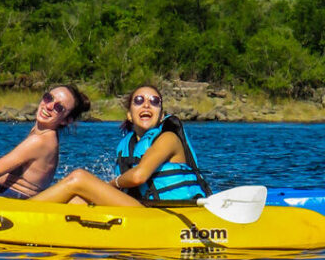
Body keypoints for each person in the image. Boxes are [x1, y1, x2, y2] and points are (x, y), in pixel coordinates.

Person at [30, 85, 211, 206]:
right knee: (77, 199)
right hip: (142, 211)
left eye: (154, 102)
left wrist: (111, 184)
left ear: (161, 115)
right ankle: (34, 218)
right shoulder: (127, 146)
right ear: (130, 115)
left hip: (170, 215)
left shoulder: (168, 138)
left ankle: (22, 212)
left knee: (79, 178)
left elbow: (138, 176)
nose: (147, 104)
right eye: (139, 101)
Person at [0, 84, 90, 199]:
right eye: (49, 98)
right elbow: (7, 177)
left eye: (58, 108)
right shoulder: (42, 133)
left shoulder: (40, 141)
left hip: (15, 201)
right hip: (11, 194)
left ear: (66, 120)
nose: (48, 106)